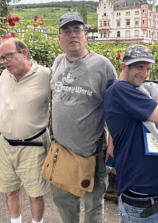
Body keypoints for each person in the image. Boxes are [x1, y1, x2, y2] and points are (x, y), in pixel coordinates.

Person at [103, 44, 158, 223]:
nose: (145, 74)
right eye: (139, 67)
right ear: (124, 66)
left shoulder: (125, 91)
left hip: (154, 198)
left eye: (148, 69)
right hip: (150, 203)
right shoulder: (120, 89)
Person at [50, 12, 116, 223]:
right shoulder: (59, 62)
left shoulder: (102, 66)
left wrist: (112, 142)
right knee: (63, 201)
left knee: (93, 206)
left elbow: (115, 109)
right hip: (62, 152)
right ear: (59, 38)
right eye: (66, 31)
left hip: (92, 153)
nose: (73, 35)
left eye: (77, 30)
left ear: (86, 35)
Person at [0, 38, 50, 223]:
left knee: (35, 193)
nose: (5, 61)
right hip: (7, 145)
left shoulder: (45, 76)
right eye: (2, 58)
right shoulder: (6, 75)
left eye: (8, 55)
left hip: (34, 145)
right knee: (10, 190)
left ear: (24, 53)